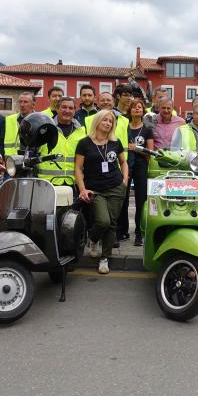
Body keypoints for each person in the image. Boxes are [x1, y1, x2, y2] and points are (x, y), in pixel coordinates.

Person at [75, 110, 128, 275]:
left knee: (112, 224)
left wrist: (125, 181)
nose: (108, 123)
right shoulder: (84, 143)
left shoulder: (115, 142)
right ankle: (93, 239)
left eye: (110, 121)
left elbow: (123, 162)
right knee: (103, 221)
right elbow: (77, 168)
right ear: (97, 122)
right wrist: (82, 188)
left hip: (116, 187)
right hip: (95, 189)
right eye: (105, 120)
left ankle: (105, 258)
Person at [122, 98, 153, 246]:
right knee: (123, 199)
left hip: (141, 167)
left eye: (139, 107)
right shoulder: (123, 127)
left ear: (143, 111)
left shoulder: (147, 129)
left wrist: (137, 148)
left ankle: (139, 234)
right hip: (125, 166)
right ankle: (122, 231)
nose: (137, 109)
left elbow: (151, 152)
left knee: (141, 201)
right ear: (130, 110)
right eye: (134, 107)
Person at [37, 96, 86, 187]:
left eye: (71, 108)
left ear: (75, 111)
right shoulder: (46, 128)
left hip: (74, 183)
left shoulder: (82, 131)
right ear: (57, 109)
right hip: (47, 183)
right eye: (64, 107)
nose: (67, 111)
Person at [3, 92, 36, 157]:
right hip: (12, 160)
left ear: (33, 104)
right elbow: (1, 141)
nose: (22, 105)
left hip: (33, 160)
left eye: (25, 102)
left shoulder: (39, 120)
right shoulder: (8, 119)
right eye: (20, 102)